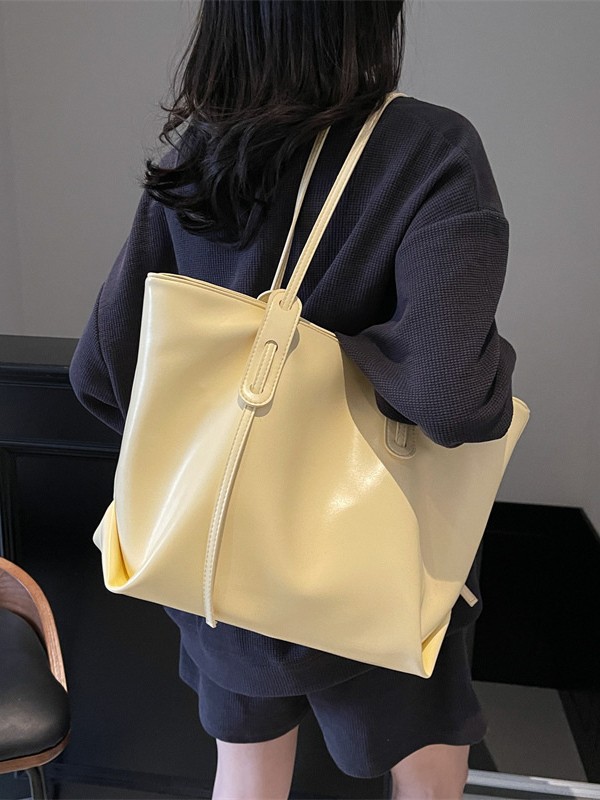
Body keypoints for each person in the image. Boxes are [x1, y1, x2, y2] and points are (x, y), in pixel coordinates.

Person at [69, 1, 517, 798]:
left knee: (246, 776)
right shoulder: (431, 150)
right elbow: (449, 398)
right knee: (427, 773)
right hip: (373, 574)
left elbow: (101, 371)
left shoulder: (202, 151)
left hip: (214, 558)